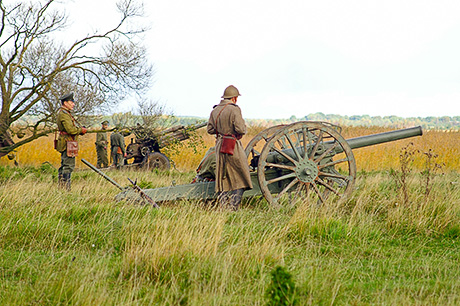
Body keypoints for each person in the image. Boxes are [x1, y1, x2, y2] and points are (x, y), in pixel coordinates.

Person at [207, 85, 252, 210]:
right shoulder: (234, 110)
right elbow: (240, 129)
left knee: (222, 177)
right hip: (233, 146)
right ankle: (233, 207)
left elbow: (210, 130)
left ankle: (223, 206)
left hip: (219, 146)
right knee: (243, 175)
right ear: (234, 98)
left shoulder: (215, 110)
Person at [55, 92, 87, 190]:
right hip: (67, 143)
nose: (73, 104)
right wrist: (81, 130)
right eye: (71, 102)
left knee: (65, 165)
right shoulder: (64, 114)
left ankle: (62, 188)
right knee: (68, 166)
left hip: (67, 142)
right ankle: (66, 189)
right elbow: (70, 130)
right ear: (65, 103)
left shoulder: (65, 113)